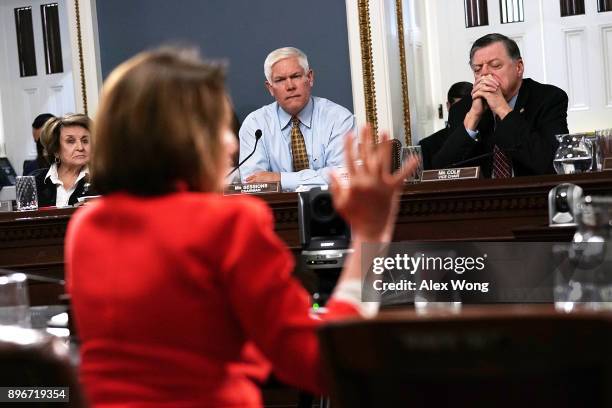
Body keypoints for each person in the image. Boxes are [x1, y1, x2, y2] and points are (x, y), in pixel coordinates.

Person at [64, 48, 417, 407]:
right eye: (218, 126)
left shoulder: (85, 226)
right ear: (181, 138)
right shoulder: (226, 223)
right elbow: (322, 361)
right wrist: (371, 236)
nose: (232, 143)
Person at [432, 33, 569, 177]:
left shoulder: (548, 98)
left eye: (495, 65)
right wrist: (473, 117)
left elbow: (554, 164)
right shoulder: (463, 109)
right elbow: (440, 173)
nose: (484, 74)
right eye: (477, 69)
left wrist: (502, 109)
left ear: (519, 67)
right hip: (479, 198)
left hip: (533, 194)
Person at [239, 47, 354, 191]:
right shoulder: (255, 124)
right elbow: (253, 183)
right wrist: (319, 178)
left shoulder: (339, 119)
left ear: (310, 77)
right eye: (280, 80)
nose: (290, 86)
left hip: (330, 209)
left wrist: (280, 178)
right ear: (270, 88)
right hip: (276, 212)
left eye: (295, 76)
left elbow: (344, 176)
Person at [32, 113, 93, 207]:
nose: (80, 147)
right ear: (55, 149)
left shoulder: (103, 180)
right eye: (71, 141)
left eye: (85, 141)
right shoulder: (35, 182)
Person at [419, 82, 472, 170]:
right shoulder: (427, 146)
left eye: (468, 107)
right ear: (448, 106)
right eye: (459, 108)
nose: (464, 113)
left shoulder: (487, 139)